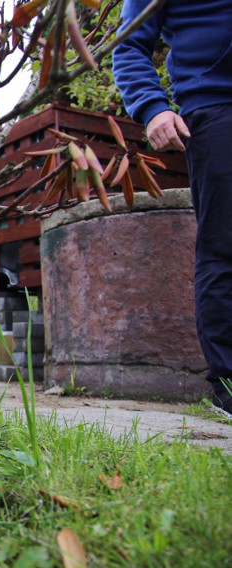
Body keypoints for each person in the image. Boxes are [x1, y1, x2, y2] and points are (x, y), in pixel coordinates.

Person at [112, 0, 232, 418]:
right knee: (225, 244)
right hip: (217, 107)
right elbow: (128, 44)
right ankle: (228, 381)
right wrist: (151, 105)